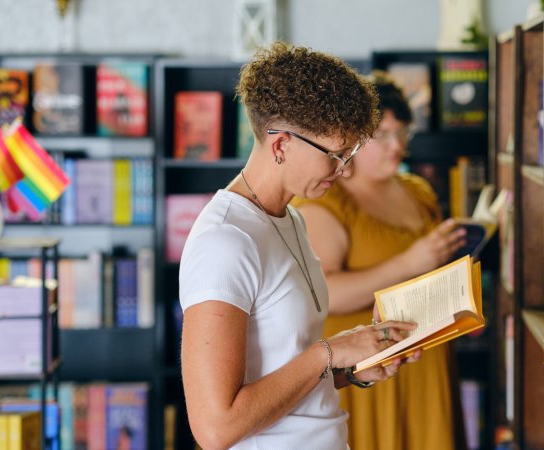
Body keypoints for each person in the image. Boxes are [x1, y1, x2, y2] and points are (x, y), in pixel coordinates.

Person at [179, 42, 421, 450]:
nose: (344, 171)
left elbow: (283, 370)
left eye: (350, 154)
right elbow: (216, 428)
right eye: (335, 155)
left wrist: (354, 366)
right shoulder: (225, 241)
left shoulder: (292, 220)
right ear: (281, 145)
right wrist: (330, 351)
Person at [296, 71, 467, 450]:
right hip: (367, 367)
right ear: (352, 139)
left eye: (402, 133)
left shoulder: (418, 190)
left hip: (427, 358)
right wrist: (410, 262)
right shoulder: (327, 199)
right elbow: (324, 293)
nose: (396, 146)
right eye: (382, 135)